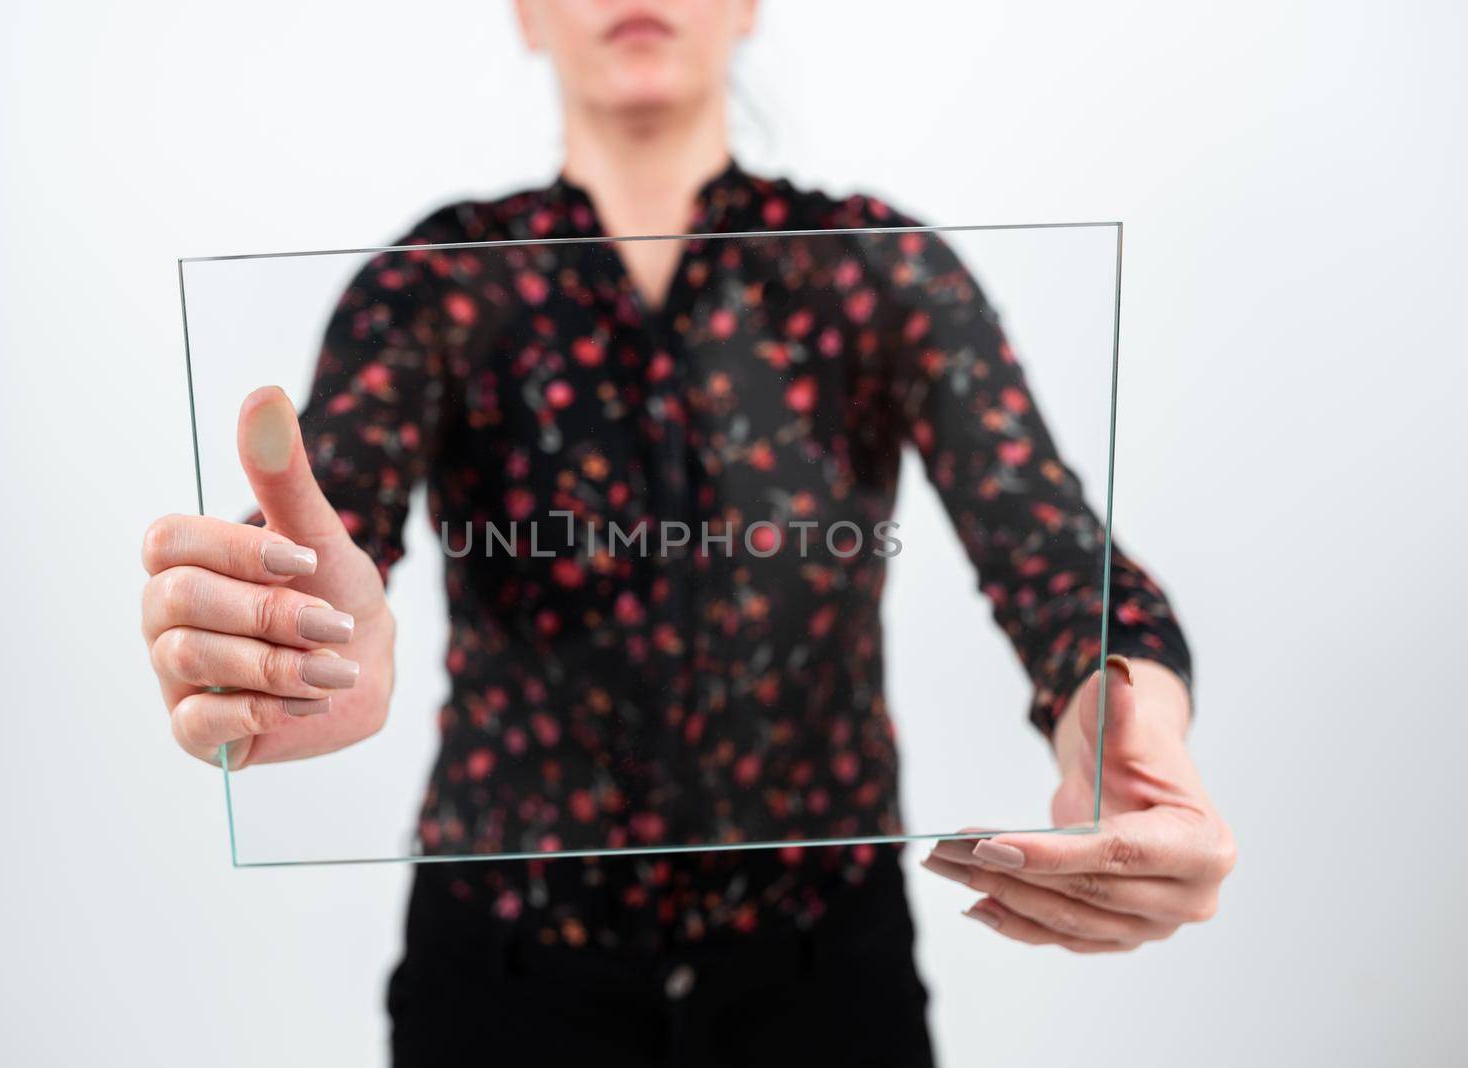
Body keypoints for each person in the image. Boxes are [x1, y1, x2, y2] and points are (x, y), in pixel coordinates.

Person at [140, 3, 1234, 1065]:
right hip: (500, 974)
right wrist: (287, 634)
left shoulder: (876, 267)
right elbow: (333, 534)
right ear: (526, 14)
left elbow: (1046, 550)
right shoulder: (435, 284)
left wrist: (1123, 714)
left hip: (824, 974)